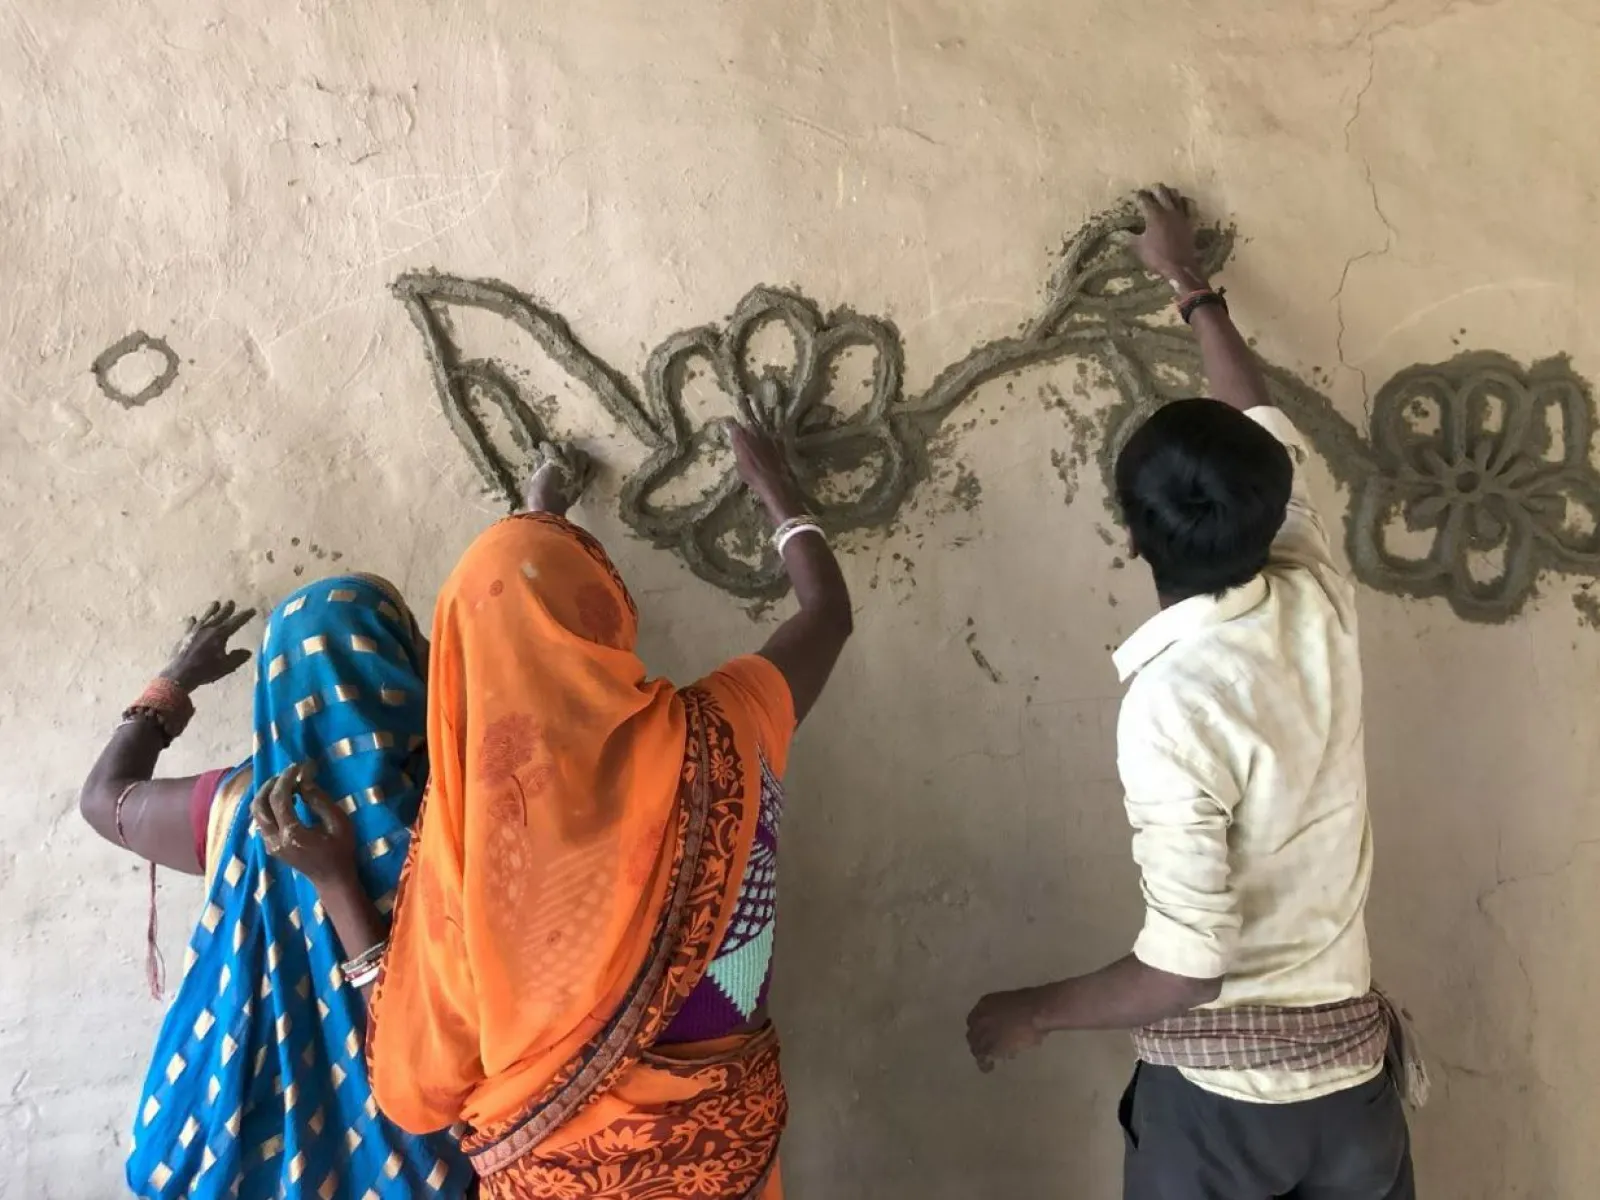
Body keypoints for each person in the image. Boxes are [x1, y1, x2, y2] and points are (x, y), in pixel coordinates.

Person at [965, 186, 1418, 1198]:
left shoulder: (1171, 703)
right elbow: (1254, 414)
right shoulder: (1316, 596)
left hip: (1225, 1117)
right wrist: (1188, 285)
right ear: (1271, 505)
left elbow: (1186, 969)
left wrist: (1031, 1010)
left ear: (1129, 535)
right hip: (1351, 1096)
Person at [363, 419, 853, 1198]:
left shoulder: (469, 852)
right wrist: (778, 496)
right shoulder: (718, 734)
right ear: (603, 617)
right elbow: (828, 615)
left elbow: (414, 1092)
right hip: (726, 1165)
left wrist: (538, 507)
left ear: (460, 666)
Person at [81, 577, 473, 1198]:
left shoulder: (244, 807)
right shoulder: (467, 810)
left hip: (241, 1164)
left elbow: (105, 801)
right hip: (428, 1165)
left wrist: (175, 681)